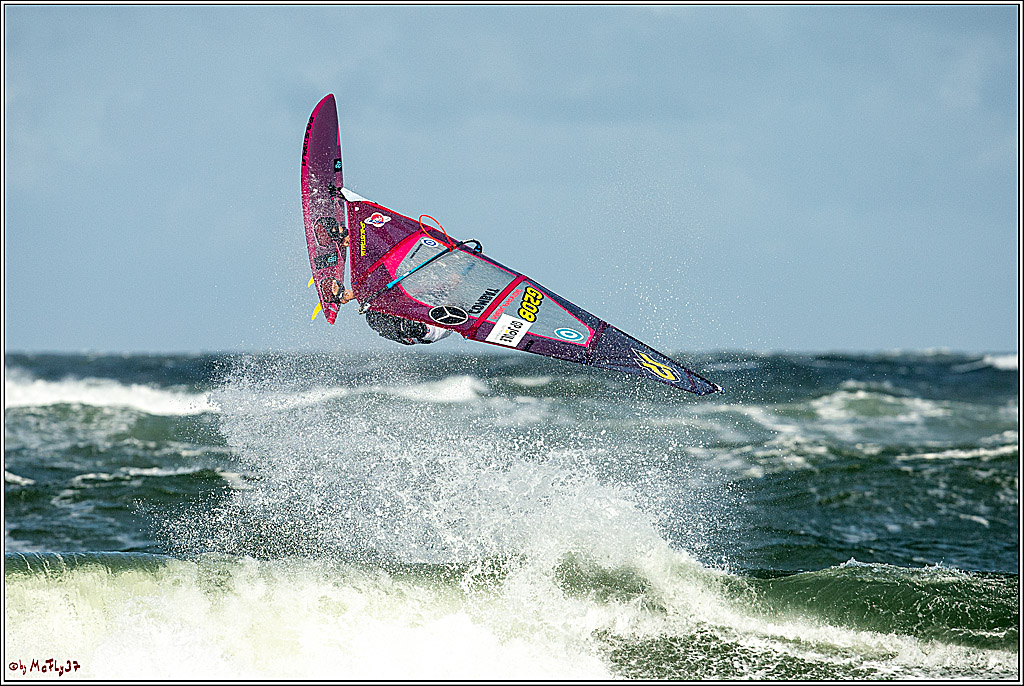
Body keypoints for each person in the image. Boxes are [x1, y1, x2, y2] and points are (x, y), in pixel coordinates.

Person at [337, 286, 452, 346]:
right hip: (416, 317)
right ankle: (350, 295)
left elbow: (417, 331)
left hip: (408, 332)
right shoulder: (441, 297)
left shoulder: (439, 329)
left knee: (374, 315)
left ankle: (347, 295)